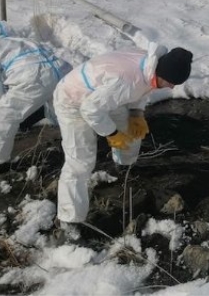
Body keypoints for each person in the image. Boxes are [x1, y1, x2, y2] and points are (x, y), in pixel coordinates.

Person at [53, 43, 193, 235]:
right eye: (169, 82)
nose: (171, 87)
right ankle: (69, 221)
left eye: (175, 84)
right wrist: (111, 133)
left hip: (104, 93)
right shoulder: (126, 81)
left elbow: (141, 87)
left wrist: (136, 112)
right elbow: (91, 110)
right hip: (73, 100)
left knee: (131, 132)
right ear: (160, 71)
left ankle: (124, 166)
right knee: (80, 162)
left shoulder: (151, 65)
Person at [0, 21, 72, 167]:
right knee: (65, 110)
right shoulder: (19, 40)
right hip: (62, 69)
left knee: (1, 115)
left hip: (35, 77)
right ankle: (82, 137)